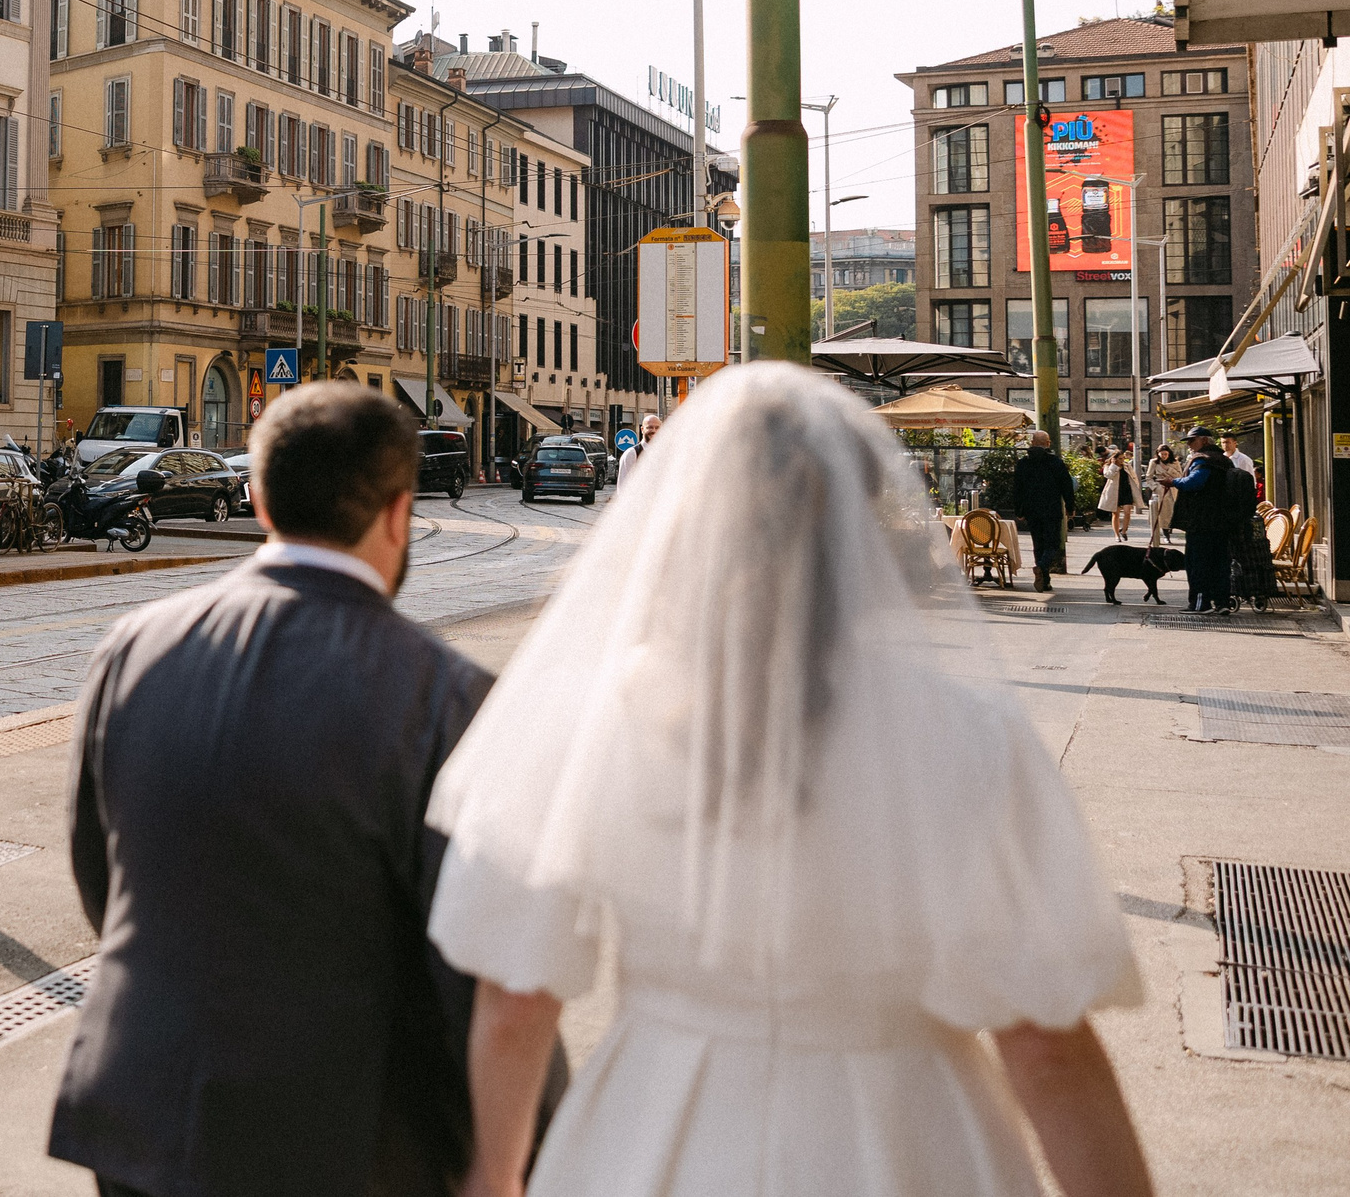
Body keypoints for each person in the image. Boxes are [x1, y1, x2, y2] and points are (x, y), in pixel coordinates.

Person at [425, 363, 1154, 1197]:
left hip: (658, 1129)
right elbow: (1046, 1046)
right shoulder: (967, 734)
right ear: (862, 522)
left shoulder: (595, 716)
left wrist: (496, 1174)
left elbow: (518, 999)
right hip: (906, 1139)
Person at [50, 382, 566, 1197]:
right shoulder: (448, 697)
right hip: (343, 1136)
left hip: (143, 1115)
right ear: (399, 515)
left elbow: (98, 871)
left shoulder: (131, 646)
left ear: (257, 496)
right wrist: (503, 1157)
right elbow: (489, 958)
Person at [1159, 427, 1238, 612]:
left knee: (1198, 563)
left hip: (1202, 521)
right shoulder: (1225, 461)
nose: (1189, 445)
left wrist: (1173, 482)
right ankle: (1222, 603)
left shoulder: (1203, 460)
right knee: (1220, 564)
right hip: (1223, 521)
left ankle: (1200, 603)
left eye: (1191, 441)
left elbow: (1195, 482)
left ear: (1204, 440)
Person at [1011, 428, 1076, 593]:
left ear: (1032, 443)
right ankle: (1041, 567)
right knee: (1053, 544)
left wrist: (1019, 510)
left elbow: (1017, 489)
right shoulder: (1056, 463)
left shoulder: (1023, 463)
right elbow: (1066, 487)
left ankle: (1045, 580)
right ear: (1048, 444)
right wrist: (1070, 507)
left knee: (1038, 544)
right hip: (1051, 510)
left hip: (1032, 511)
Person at [1098, 447, 1138, 541]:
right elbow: (1108, 475)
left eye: (1123, 458)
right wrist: (1113, 465)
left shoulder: (1127, 466)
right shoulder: (1109, 466)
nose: (1122, 460)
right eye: (1120, 458)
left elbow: (1134, 477)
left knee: (1127, 512)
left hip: (1126, 491)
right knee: (1115, 514)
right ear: (1114, 458)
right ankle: (1116, 535)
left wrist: (1136, 487)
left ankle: (1124, 531)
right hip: (1114, 492)